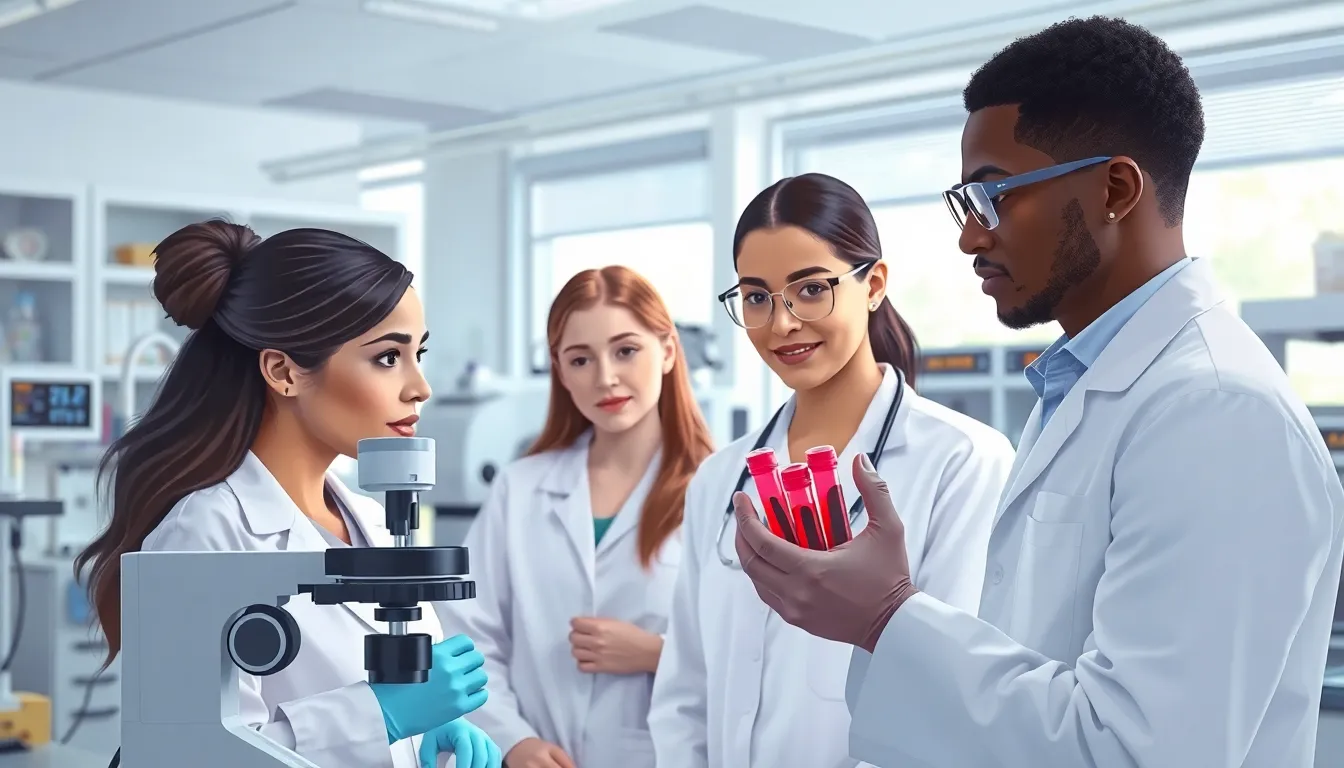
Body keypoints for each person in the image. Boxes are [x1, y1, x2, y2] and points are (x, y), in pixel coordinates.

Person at [731, 17, 1344, 768]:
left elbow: (1137, 750)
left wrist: (887, 616)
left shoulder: (1216, 412)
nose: (969, 237)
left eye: (993, 197)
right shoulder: (1087, 387)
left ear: (1116, 188)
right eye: (964, 204)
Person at [74, 221, 502, 768]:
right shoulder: (203, 531)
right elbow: (186, 755)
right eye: (388, 357)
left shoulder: (368, 517)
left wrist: (431, 731)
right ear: (283, 371)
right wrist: (382, 714)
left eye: (419, 353)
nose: (421, 386)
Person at [648, 172, 1016, 768]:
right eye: (757, 296)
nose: (782, 323)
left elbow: (952, 696)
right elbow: (684, 694)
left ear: (873, 285)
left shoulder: (962, 462)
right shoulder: (720, 478)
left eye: (811, 288)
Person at [437, 265, 714, 768]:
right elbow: (466, 636)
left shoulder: (719, 492)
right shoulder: (520, 488)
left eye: (625, 351)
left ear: (668, 351)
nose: (605, 377)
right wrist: (511, 739)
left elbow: (761, 657)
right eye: (581, 359)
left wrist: (657, 653)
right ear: (560, 372)